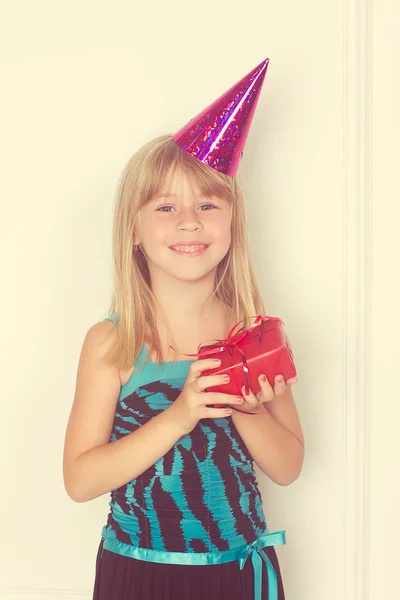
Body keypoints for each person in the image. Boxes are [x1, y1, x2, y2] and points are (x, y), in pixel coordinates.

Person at [63, 58, 304, 600]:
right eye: (166, 206)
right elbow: (80, 479)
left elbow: (288, 467)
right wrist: (180, 414)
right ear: (134, 231)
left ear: (233, 223)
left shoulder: (255, 334)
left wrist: (247, 408)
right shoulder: (111, 345)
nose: (190, 221)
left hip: (239, 573)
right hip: (139, 575)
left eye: (208, 204)